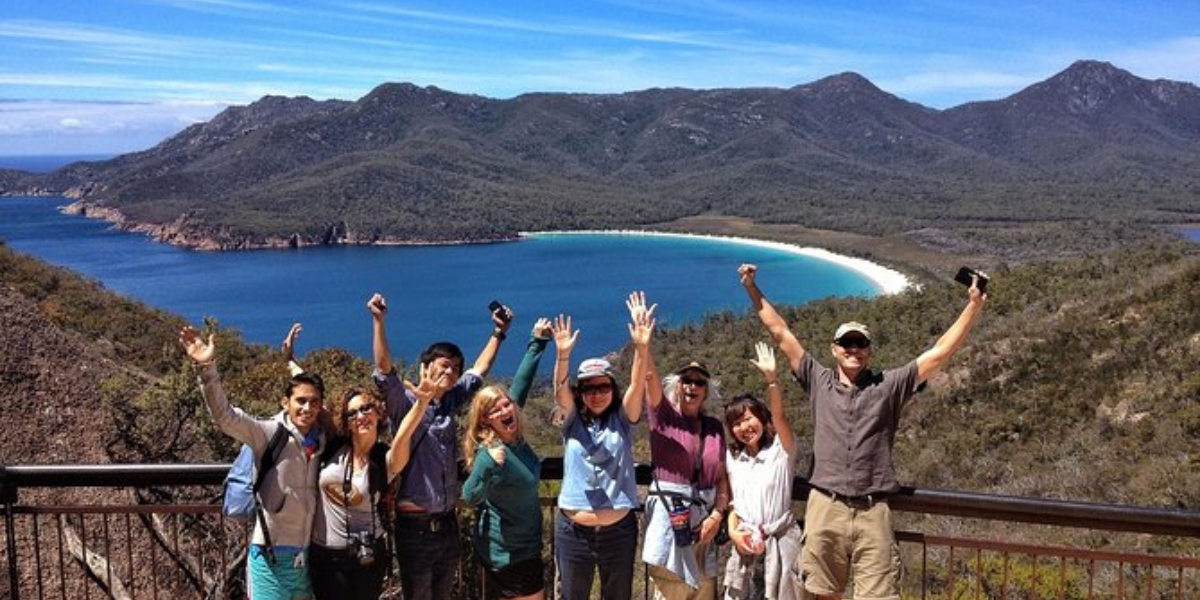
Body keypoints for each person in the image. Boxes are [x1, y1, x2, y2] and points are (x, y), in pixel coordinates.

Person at [738, 263, 987, 600]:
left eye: (859, 344)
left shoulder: (889, 385)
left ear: (869, 351)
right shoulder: (818, 379)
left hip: (873, 510)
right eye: (846, 343)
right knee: (821, 593)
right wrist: (752, 287)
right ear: (834, 349)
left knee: (879, 595)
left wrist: (974, 305)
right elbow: (780, 333)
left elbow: (940, 353)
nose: (852, 349)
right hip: (825, 505)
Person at [367, 291, 530, 600]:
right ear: (425, 366)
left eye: (455, 367)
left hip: (447, 523)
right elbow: (385, 371)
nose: (450, 371)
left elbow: (479, 371)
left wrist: (499, 333)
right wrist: (378, 322)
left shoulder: (451, 401)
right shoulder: (405, 403)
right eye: (443, 365)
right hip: (414, 526)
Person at [180, 325, 328, 600]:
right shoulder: (269, 432)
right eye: (301, 401)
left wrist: (292, 363)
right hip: (269, 558)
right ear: (286, 402)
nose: (307, 408)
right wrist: (206, 368)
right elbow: (225, 417)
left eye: (314, 402)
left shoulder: (320, 440)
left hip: (306, 559)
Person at [549, 292, 655, 600]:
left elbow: (637, 384)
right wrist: (563, 356)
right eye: (588, 388)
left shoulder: (623, 420)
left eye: (603, 386)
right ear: (579, 392)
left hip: (619, 532)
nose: (597, 394)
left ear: (612, 388)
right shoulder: (571, 424)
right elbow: (559, 392)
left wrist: (642, 346)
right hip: (572, 532)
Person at [309, 366, 445, 600]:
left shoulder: (385, 460)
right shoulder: (334, 446)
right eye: (352, 413)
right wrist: (290, 360)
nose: (360, 416)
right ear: (345, 421)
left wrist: (421, 404)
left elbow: (403, 435)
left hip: (366, 557)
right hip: (325, 556)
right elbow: (311, 402)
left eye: (366, 408)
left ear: (378, 412)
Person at [637, 294, 732, 600]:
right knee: (670, 590)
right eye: (686, 380)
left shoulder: (715, 428)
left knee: (704, 592)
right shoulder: (663, 416)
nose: (692, 386)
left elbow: (722, 480)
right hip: (671, 518)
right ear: (676, 386)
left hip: (704, 521)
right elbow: (648, 378)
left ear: (706, 392)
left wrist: (717, 517)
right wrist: (644, 344)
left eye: (698, 382)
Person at [721, 342, 803, 600]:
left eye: (748, 418)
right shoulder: (734, 459)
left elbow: (781, 418)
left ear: (762, 418)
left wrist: (772, 381)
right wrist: (733, 532)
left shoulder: (782, 450)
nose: (744, 427)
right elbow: (735, 505)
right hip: (745, 546)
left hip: (781, 544)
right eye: (736, 423)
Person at [461, 383, 544, 600]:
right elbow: (469, 496)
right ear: (485, 420)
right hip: (512, 554)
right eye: (495, 410)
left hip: (524, 548)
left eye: (507, 405)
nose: (504, 411)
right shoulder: (492, 452)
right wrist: (486, 462)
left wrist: (538, 348)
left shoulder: (515, 441)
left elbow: (520, 386)